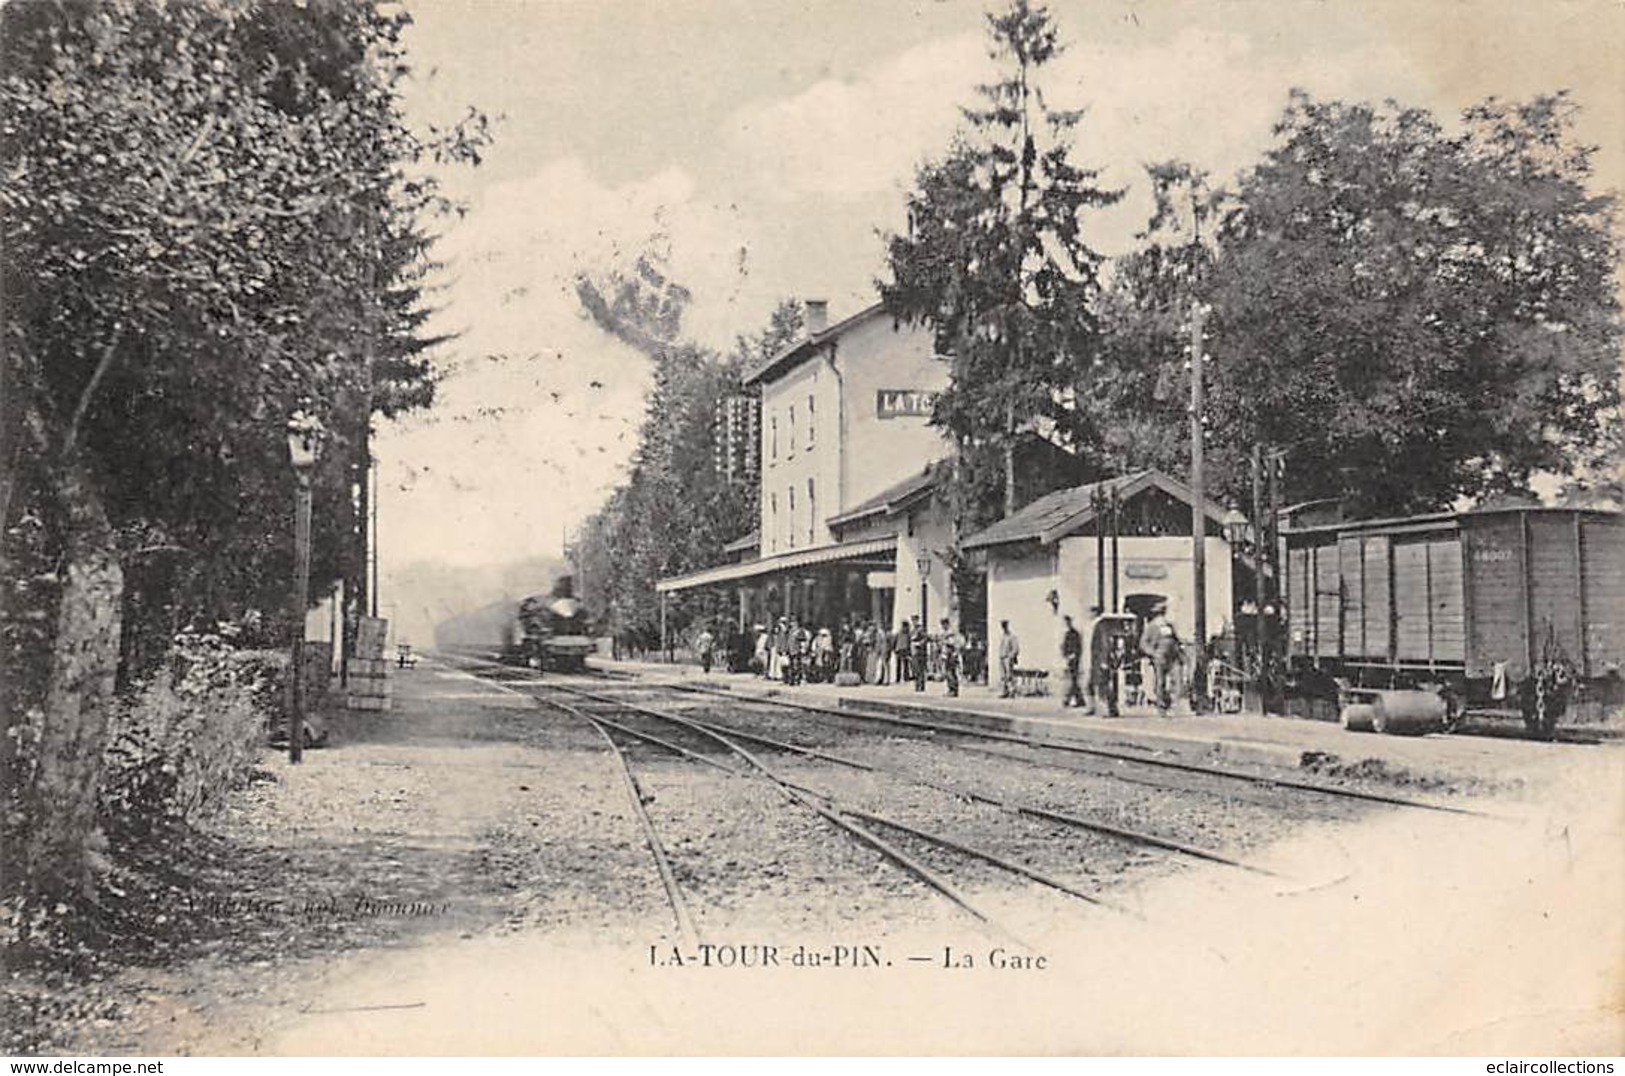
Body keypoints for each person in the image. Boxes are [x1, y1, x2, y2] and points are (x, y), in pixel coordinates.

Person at [1140, 601, 1182, 715]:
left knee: (1177, 679)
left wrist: (1179, 650)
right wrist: (1153, 653)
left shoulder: (1170, 626)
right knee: (1160, 682)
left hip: (1173, 657)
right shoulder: (1151, 626)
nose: (1162, 616)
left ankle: (1175, 704)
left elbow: (1176, 640)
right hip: (1160, 657)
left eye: (1163, 613)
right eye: (1159, 614)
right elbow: (1143, 643)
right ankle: (1161, 706)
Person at [1061, 614, 1084, 708]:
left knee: (1073, 679)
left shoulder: (1075, 634)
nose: (1067, 624)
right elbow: (1064, 646)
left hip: (1074, 660)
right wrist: (1065, 655)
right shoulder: (1067, 634)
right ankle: (1079, 699)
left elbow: (1078, 647)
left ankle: (1068, 700)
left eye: (1068, 622)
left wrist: (1074, 655)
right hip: (1069, 659)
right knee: (1073, 680)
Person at [939, 617, 962, 697]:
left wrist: (944, 641)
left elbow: (952, 644)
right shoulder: (946, 633)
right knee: (949, 673)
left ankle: (953, 690)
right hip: (947, 654)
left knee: (950, 673)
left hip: (951, 655)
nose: (943, 627)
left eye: (943, 625)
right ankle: (951, 689)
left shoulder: (951, 633)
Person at [998, 620, 1021, 698]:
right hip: (1002, 658)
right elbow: (1001, 647)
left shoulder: (1012, 637)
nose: (1004, 628)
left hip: (1008, 658)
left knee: (1009, 676)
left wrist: (1011, 656)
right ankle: (1005, 691)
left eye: (1005, 626)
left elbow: (1016, 648)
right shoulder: (1003, 637)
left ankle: (1012, 691)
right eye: (1003, 627)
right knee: (1003, 676)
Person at [911, 620, 928, 692]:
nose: (914, 622)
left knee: (920, 670)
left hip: (920, 652)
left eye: (915, 620)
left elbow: (925, 638)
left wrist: (919, 643)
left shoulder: (920, 630)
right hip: (914, 652)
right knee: (915, 670)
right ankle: (917, 685)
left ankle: (921, 686)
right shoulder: (912, 630)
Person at [895, 620, 913, 684]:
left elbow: (909, 642)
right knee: (898, 665)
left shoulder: (908, 634)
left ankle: (906, 677)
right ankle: (898, 678)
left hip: (905, 650)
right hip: (899, 650)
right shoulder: (898, 633)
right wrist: (895, 649)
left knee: (905, 664)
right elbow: (895, 641)